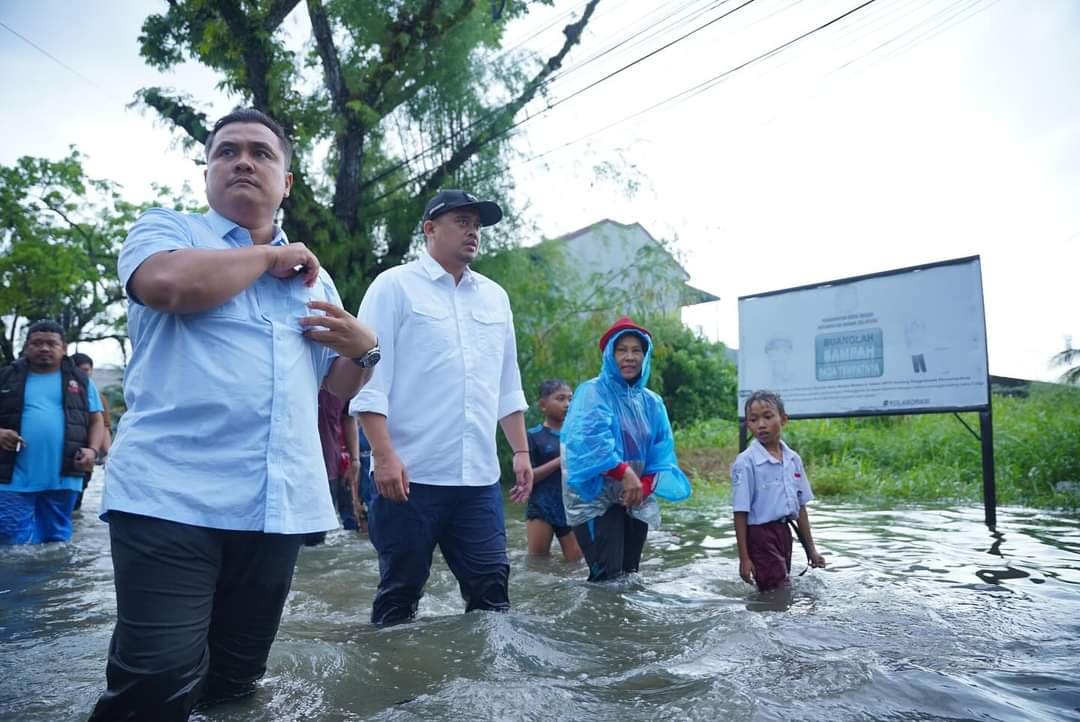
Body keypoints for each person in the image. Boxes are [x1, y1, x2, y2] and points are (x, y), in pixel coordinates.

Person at [89, 108, 379, 721]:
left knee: (235, 681)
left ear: (286, 182)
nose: (243, 161)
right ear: (207, 174)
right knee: (155, 682)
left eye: (260, 153)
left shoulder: (316, 280)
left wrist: (365, 351)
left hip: (274, 503)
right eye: (227, 151)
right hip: (168, 495)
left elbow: (334, 385)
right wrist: (266, 258)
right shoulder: (168, 231)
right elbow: (168, 285)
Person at [351, 188, 533, 625]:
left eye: (477, 225)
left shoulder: (495, 297)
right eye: (462, 222)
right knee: (400, 594)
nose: (473, 232)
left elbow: (506, 381)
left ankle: (487, 673)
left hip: (478, 479)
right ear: (430, 229)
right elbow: (370, 379)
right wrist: (383, 456)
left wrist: (521, 451)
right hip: (409, 475)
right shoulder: (394, 286)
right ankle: (394, 669)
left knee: (493, 594)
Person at [561, 317, 692, 582]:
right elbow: (590, 444)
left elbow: (661, 451)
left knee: (630, 574)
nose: (629, 357)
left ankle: (626, 614)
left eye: (636, 350)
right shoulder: (592, 392)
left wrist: (643, 486)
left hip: (635, 495)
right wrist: (623, 473)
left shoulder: (652, 402)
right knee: (606, 577)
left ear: (645, 356)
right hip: (595, 499)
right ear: (609, 355)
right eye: (621, 350)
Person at [0, 320, 107, 544]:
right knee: (9, 537)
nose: (44, 348)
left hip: (63, 474)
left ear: (64, 348)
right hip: (11, 473)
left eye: (51, 343)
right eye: (37, 343)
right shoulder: (5, 378)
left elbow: (96, 420)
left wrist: (93, 450)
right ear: (26, 347)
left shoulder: (81, 381)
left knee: (55, 540)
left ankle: (51, 570)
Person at [731, 390, 826, 592]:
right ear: (748, 424)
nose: (761, 425)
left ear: (783, 419)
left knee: (776, 588)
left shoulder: (793, 459)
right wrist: (744, 558)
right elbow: (740, 512)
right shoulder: (746, 462)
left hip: (784, 533)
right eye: (753, 420)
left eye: (768, 417)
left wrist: (811, 550)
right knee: (778, 591)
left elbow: (800, 508)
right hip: (759, 535)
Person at [525, 379, 582, 561]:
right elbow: (527, 477)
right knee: (537, 564)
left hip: (571, 506)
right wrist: (560, 461)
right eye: (560, 398)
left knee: (577, 564)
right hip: (542, 506)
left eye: (570, 399)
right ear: (543, 405)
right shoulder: (533, 436)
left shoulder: (578, 436)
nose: (567, 404)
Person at [304, 388, 363, 545]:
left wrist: (355, 460)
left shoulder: (341, 381)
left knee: (317, 537)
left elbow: (348, 417)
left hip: (330, 464)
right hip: (296, 468)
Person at [70, 352, 112, 511]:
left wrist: (108, 453)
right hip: (65, 451)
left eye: (87, 370)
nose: (83, 374)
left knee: (76, 501)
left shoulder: (97, 396)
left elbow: (103, 426)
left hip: (86, 452)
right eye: (80, 370)